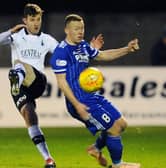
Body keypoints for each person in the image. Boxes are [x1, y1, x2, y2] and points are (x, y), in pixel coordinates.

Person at [0, 4, 103, 168]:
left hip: (38, 81)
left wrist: (91, 50)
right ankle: (49, 159)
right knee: (30, 118)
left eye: (38, 19)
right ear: (25, 20)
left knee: (19, 65)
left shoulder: (47, 40)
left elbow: (67, 55)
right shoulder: (17, 37)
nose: (36, 23)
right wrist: (11, 31)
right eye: (32, 20)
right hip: (21, 89)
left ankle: (16, 78)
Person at [50, 14, 140, 168]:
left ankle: (95, 148)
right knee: (114, 128)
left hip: (92, 96)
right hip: (81, 102)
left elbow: (102, 55)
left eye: (82, 28)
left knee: (122, 123)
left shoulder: (83, 45)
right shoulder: (61, 52)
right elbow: (61, 82)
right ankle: (118, 165)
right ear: (66, 30)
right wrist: (77, 105)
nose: (80, 32)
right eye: (76, 29)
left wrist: (127, 49)